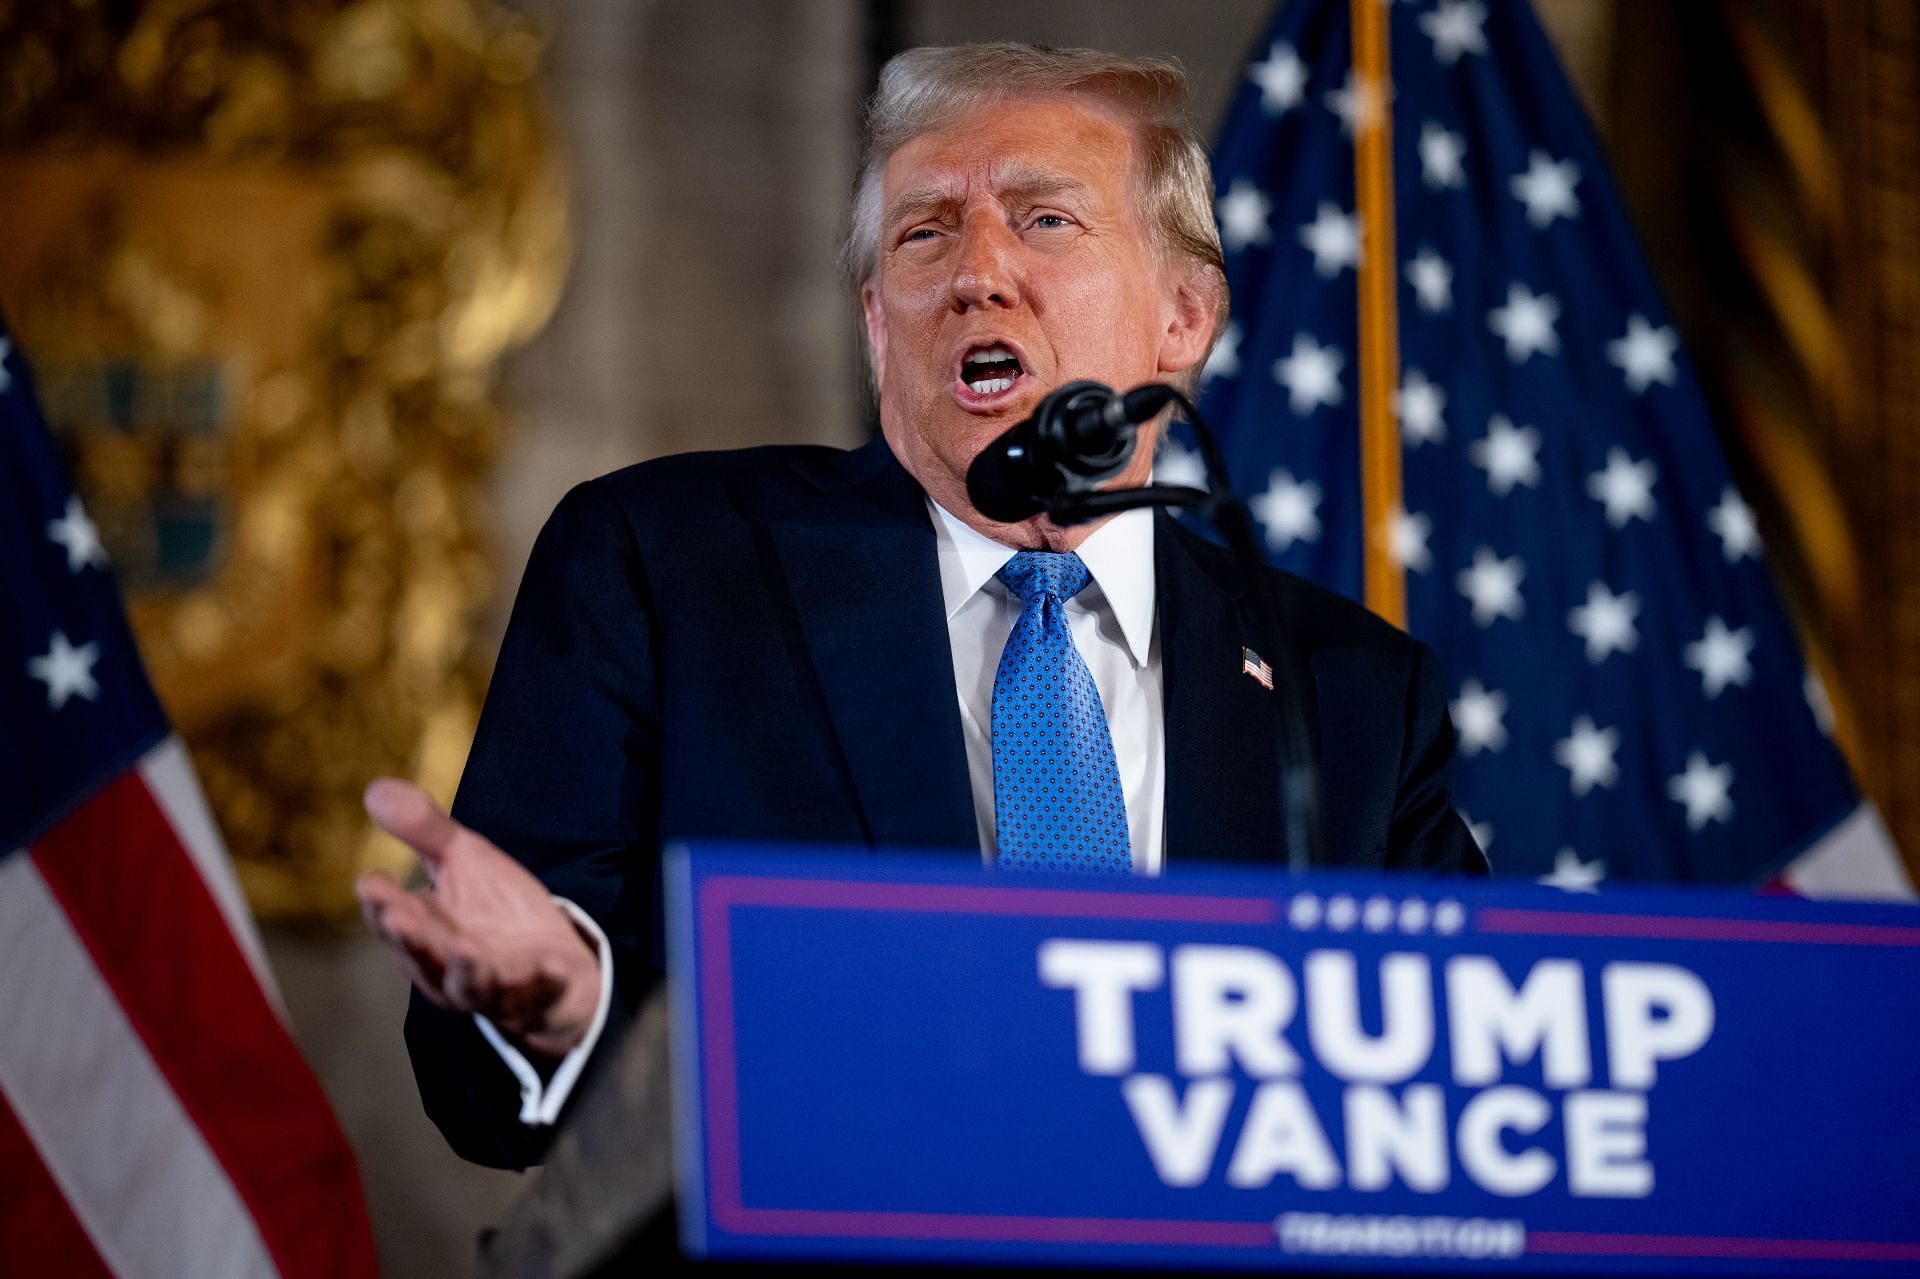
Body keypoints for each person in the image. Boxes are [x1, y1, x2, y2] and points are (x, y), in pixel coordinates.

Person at [357, 42, 1486, 1173]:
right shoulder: (668, 569)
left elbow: (1463, 1077)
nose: (977, 271)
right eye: (924, 231)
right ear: (878, 324)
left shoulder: (1350, 695)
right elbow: (479, 1073)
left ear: (1183, 317)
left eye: (1046, 221)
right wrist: (566, 1007)